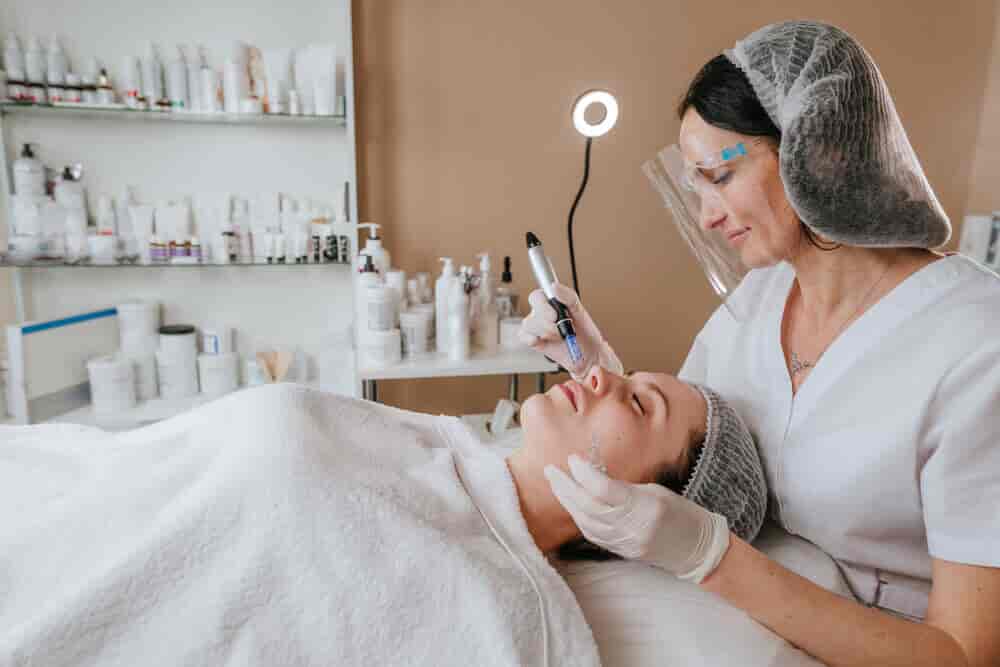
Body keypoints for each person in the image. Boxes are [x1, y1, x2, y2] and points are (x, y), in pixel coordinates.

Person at [522, 20, 1000, 667]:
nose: (706, 215)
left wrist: (711, 558)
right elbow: (693, 443)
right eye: (693, 186)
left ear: (820, 149)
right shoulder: (760, 297)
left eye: (719, 176)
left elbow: (963, 654)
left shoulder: (976, 344)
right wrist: (599, 368)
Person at [0, 370, 765, 665]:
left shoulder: (506, 613)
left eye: (636, 400)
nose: (599, 373)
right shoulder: (447, 446)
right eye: (626, 373)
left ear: (652, 507)